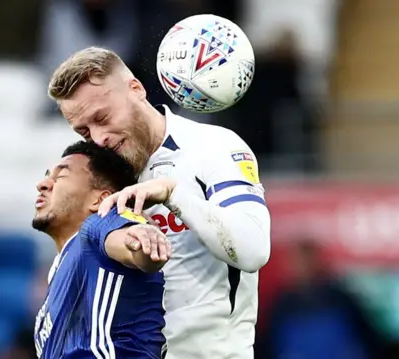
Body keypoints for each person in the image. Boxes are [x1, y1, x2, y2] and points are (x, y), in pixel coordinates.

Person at [47, 47, 272, 359]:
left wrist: (173, 193)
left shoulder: (214, 147)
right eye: (84, 131)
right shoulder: (104, 180)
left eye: (103, 117)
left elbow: (254, 250)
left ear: (136, 89)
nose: (98, 138)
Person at [32, 140, 170, 359]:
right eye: (47, 176)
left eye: (60, 177)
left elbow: (130, 244)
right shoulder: (61, 270)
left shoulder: (97, 226)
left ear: (101, 200)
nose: (43, 184)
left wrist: (144, 242)